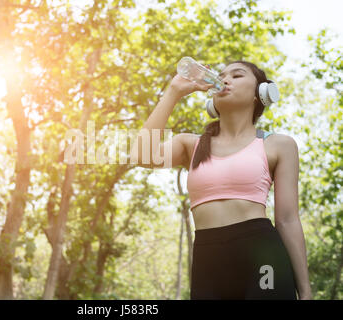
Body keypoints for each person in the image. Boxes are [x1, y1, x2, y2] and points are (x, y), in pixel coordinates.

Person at [129, 60, 312, 300]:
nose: (225, 79)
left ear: (260, 93)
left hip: (262, 253)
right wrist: (173, 92)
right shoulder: (190, 144)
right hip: (208, 256)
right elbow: (140, 155)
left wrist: (306, 292)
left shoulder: (279, 145)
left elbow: (288, 220)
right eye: (222, 75)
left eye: (237, 76)